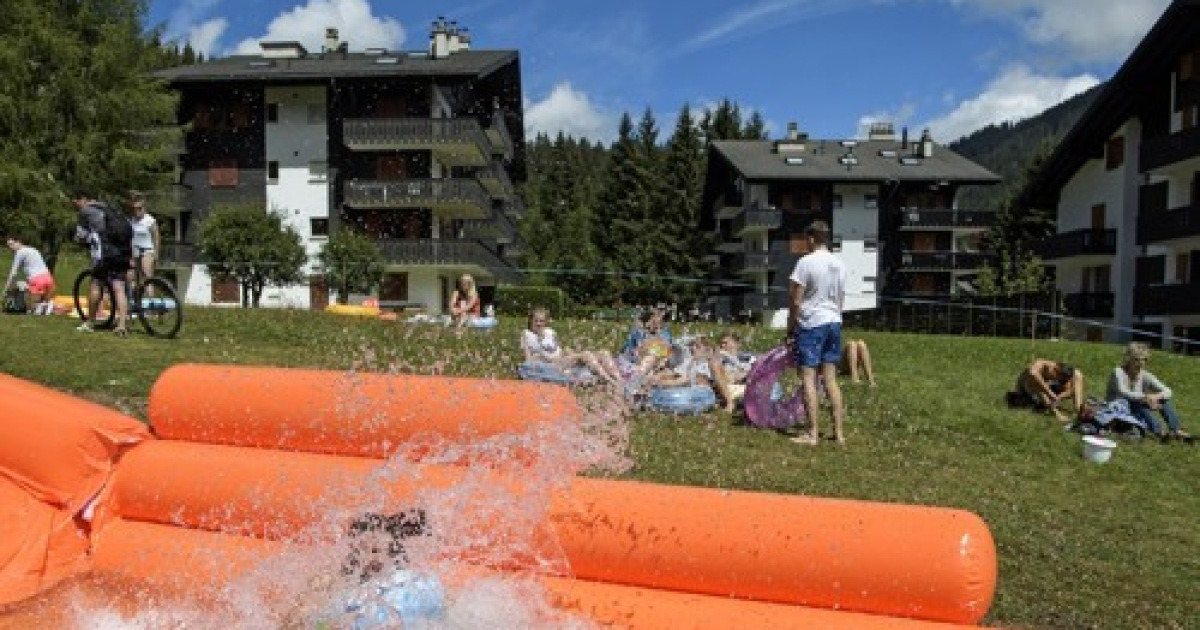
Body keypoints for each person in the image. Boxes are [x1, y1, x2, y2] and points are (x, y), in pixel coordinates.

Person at [787, 220, 847, 445]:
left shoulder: (806, 262)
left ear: (811, 238)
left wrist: (791, 327)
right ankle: (838, 434)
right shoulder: (839, 264)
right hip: (834, 321)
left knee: (809, 379)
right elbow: (841, 298)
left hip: (812, 324)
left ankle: (812, 434)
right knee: (830, 379)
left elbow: (796, 300)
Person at [72, 189, 131, 335]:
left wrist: (79, 240)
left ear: (82, 199)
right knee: (119, 287)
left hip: (105, 255)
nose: (76, 206)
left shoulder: (85, 212)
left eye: (76, 203)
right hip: (123, 252)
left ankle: (90, 322)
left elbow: (81, 236)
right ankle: (122, 325)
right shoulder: (109, 207)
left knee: (95, 285)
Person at [1106, 342, 1189, 439]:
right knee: (1136, 402)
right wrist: (1146, 398)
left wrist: (1155, 397)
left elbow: (1168, 391)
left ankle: (1176, 430)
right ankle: (1158, 432)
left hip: (1135, 410)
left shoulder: (1146, 376)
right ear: (1128, 359)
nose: (1141, 363)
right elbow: (1124, 392)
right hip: (1117, 412)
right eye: (1137, 360)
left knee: (1163, 400)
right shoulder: (1118, 372)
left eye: (1144, 360)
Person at [521, 307, 622, 386]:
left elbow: (559, 349)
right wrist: (541, 357)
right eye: (536, 321)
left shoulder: (550, 332)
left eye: (542, 321)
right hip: (552, 365)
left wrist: (569, 352)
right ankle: (610, 381)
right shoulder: (527, 335)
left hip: (562, 360)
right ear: (530, 321)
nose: (539, 324)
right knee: (585, 355)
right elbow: (528, 360)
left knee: (604, 353)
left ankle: (620, 380)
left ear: (545, 322)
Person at [1009, 358, 1085, 424]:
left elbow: (1070, 390)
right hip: (1026, 393)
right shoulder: (1039, 364)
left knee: (1078, 374)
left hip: (1046, 395)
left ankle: (1079, 410)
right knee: (1035, 380)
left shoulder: (1060, 372)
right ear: (1055, 370)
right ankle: (1056, 413)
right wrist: (1050, 393)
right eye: (1059, 378)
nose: (1059, 380)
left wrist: (1060, 396)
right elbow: (1033, 373)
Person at [3, 237, 56, 315]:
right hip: (48, 278)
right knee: (41, 300)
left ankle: (36, 307)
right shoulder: (33, 249)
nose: (10, 248)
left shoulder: (20, 252)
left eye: (12, 244)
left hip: (37, 280)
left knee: (31, 307)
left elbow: (13, 273)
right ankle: (46, 304)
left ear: (19, 242)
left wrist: (5, 290)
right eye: (9, 246)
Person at [127, 193, 160, 282]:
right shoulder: (131, 220)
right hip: (135, 252)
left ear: (144, 208)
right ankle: (136, 295)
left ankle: (149, 295)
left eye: (139, 208)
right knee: (132, 278)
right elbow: (130, 238)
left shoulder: (150, 220)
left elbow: (156, 237)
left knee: (147, 277)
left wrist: (156, 254)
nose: (137, 211)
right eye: (134, 208)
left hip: (147, 251)